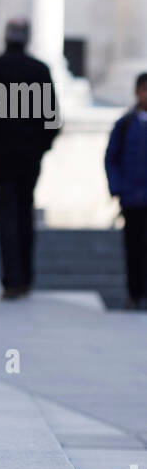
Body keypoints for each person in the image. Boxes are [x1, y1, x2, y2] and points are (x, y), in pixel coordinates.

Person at [0, 17, 60, 300]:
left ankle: (11, 280)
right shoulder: (39, 70)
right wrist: (43, 145)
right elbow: (52, 117)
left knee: (6, 214)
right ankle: (26, 277)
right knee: (25, 212)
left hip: (1, 152)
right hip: (29, 155)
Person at [104, 72, 147, 310]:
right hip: (132, 198)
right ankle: (135, 293)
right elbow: (111, 158)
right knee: (133, 248)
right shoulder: (125, 124)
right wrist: (117, 187)